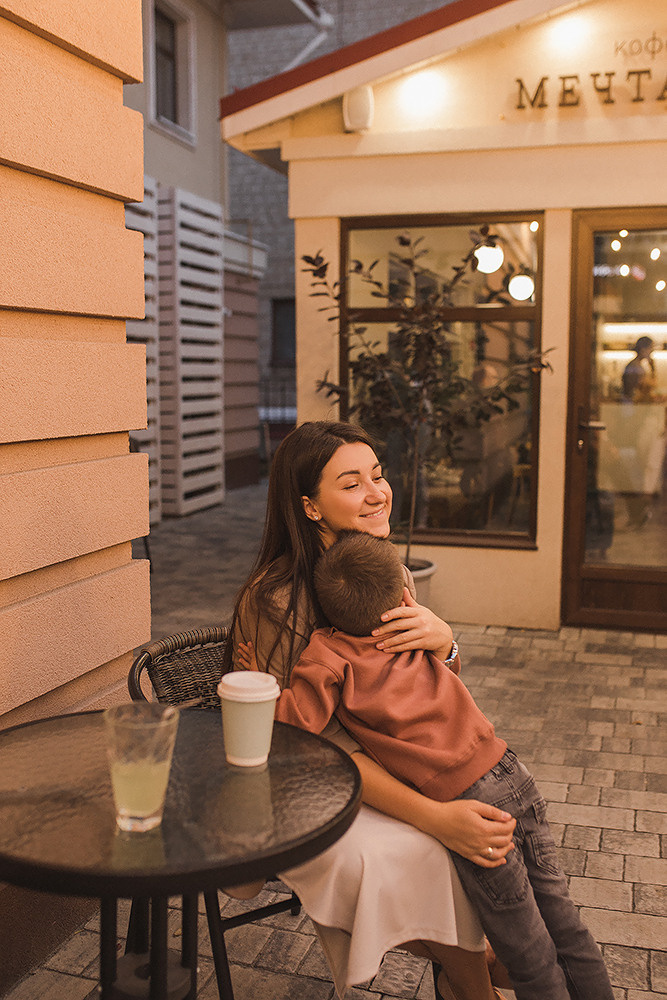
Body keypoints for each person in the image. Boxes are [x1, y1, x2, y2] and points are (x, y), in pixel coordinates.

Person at [226, 420, 516, 1000]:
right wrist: (434, 816)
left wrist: (445, 644)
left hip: (389, 764)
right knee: (425, 850)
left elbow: (414, 693)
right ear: (310, 506)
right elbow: (311, 746)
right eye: (352, 483)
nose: (377, 493)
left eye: (378, 476)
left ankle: (478, 974)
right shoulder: (276, 600)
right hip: (301, 782)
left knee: (488, 830)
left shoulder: (388, 572)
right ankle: (476, 977)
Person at [266, 529, 614, 1000]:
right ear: (401, 595)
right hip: (510, 771)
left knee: (527, 948)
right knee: (565, 924)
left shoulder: (328, 654)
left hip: (469, 802)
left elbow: (294, 724)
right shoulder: (411, 624)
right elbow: (440, 668)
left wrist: (260, 686)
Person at [622, 336, 656, 402]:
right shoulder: (635, 366)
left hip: (633, 403)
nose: (651, 351)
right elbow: (648, 386)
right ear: (643, 349)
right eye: (650, 348)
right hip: (633, 404)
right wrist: (652, 367)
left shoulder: (636, 365)